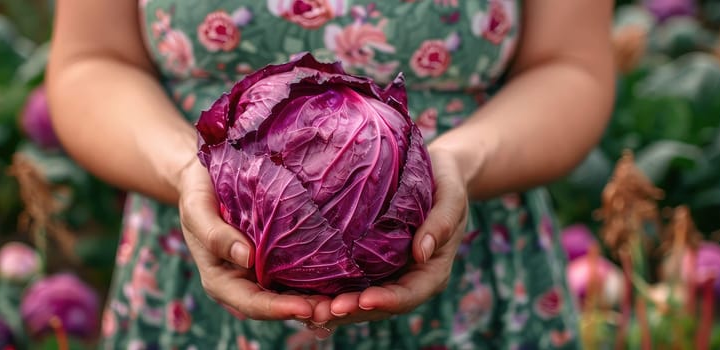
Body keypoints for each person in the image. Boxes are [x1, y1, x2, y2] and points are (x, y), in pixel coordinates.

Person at [46, 0, 615, 348]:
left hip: (469, 279)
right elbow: (91, 61)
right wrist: (185, 173)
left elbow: (569, 66)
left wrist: (459, 164)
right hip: (193, 274)